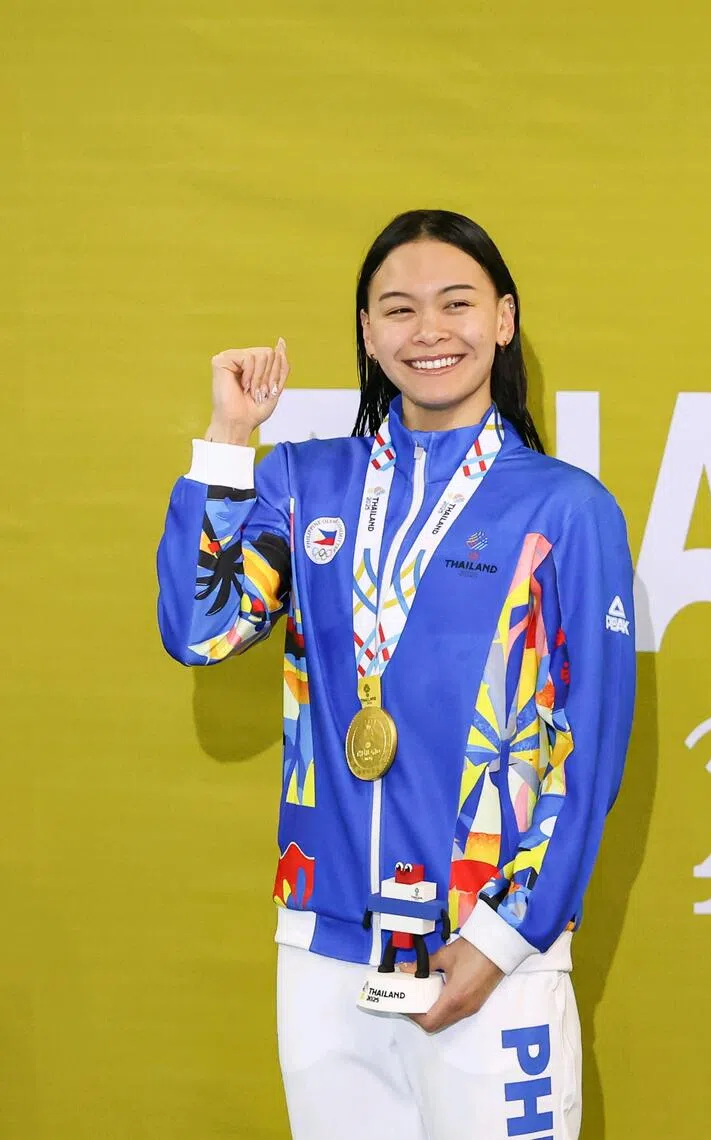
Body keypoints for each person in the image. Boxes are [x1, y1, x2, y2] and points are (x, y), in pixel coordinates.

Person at [155, 209, 637, 1139]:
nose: (430, 331)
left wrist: (500, 942)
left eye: (456, 304)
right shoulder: (304, 483)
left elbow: (590, 751)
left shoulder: (566, 510)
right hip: (323, 946)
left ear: (503, 320)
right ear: (369, 336)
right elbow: (202, 630)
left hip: (486, 946)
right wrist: (228, 436)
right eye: (399, 310)